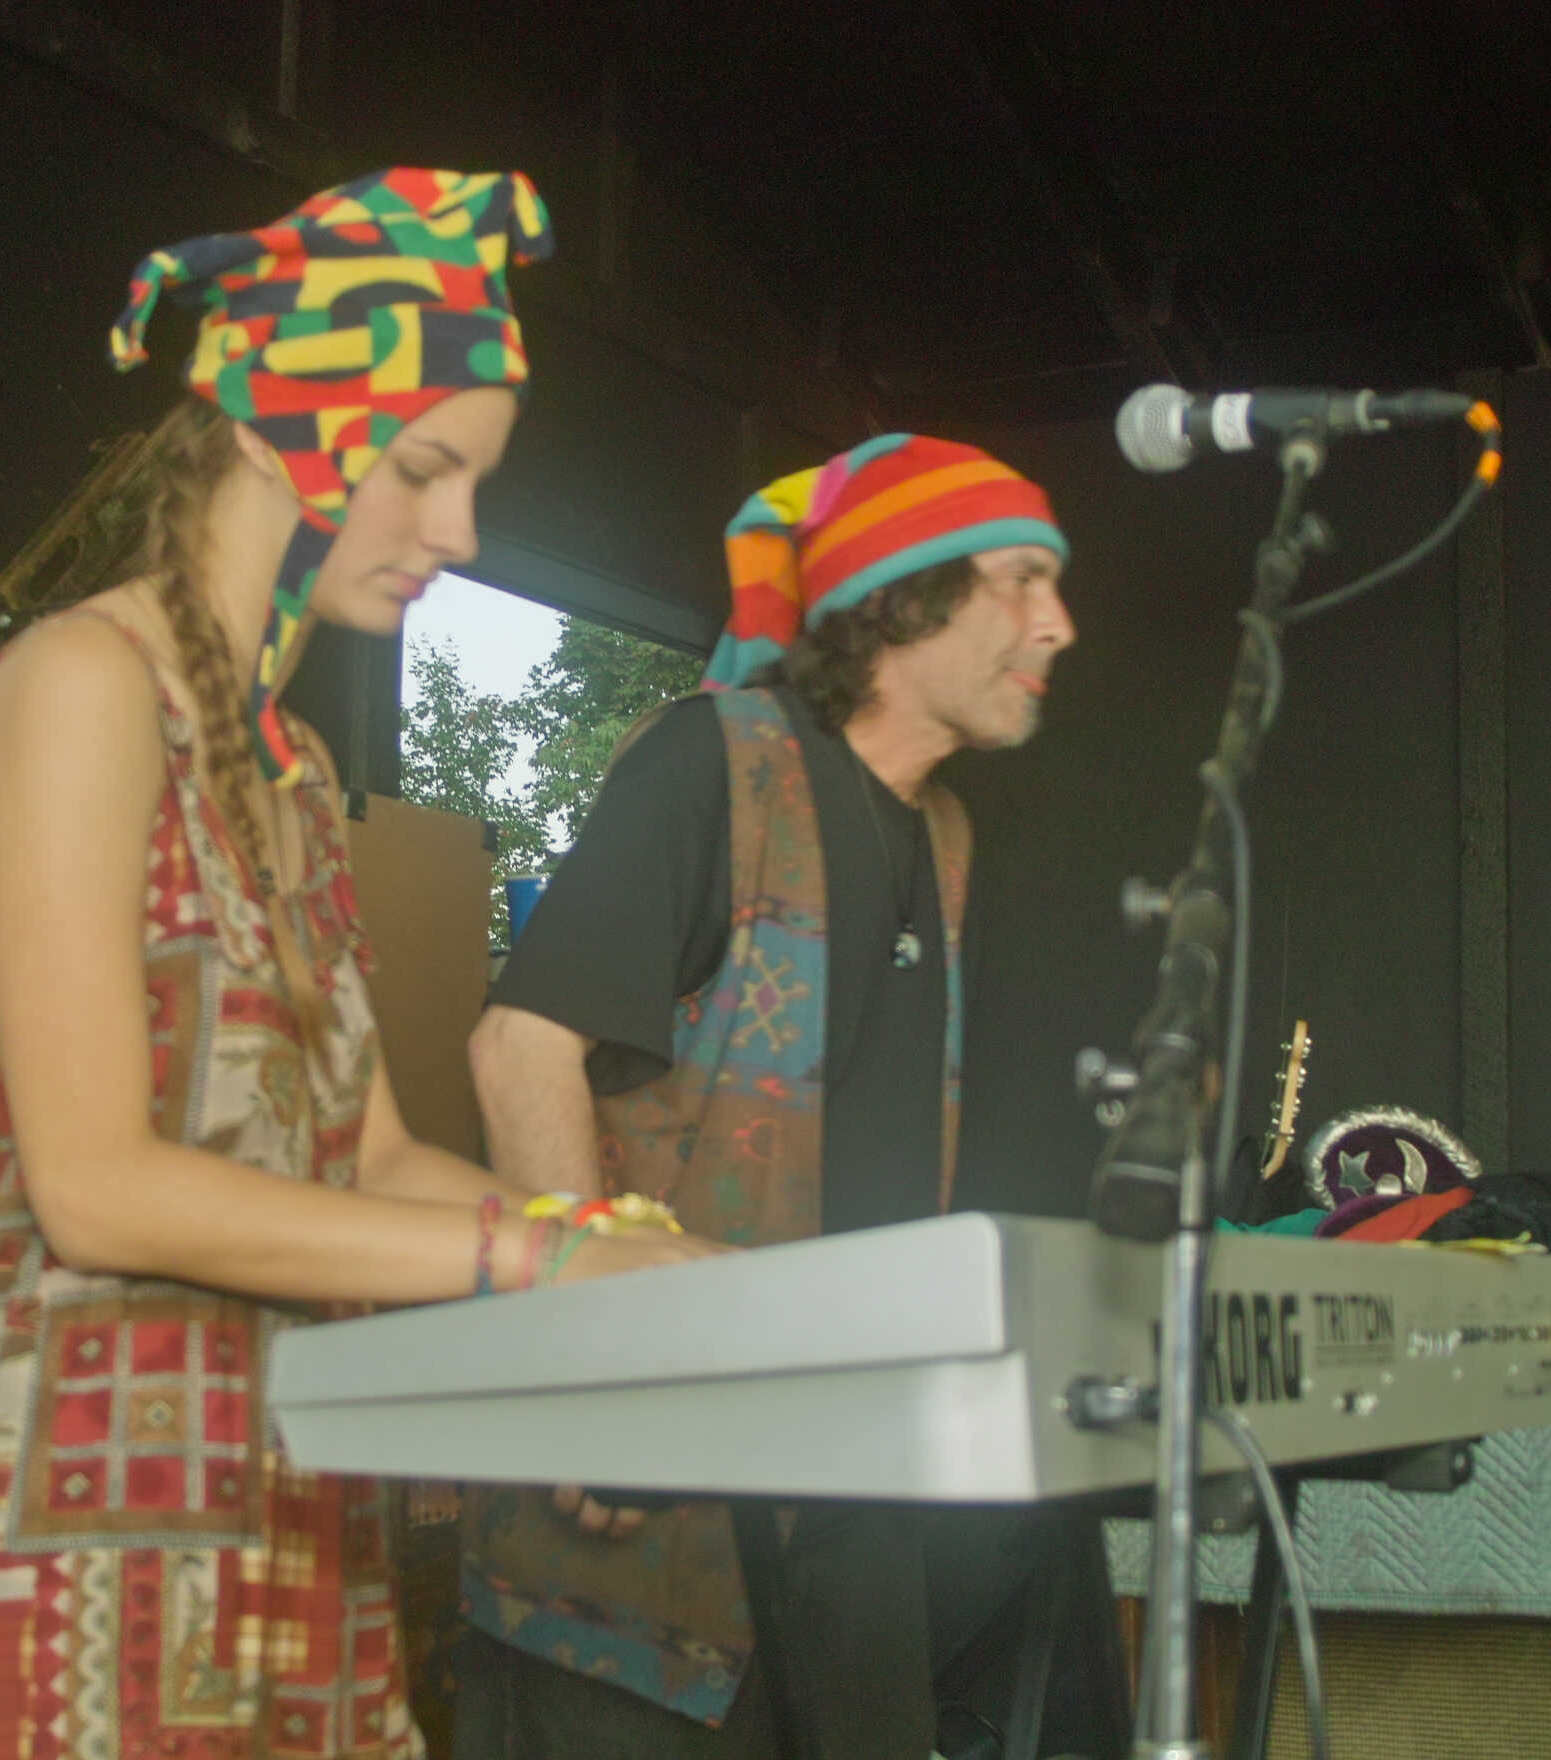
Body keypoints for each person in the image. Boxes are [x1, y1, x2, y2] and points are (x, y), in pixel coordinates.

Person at [0, 168, 720, 1760]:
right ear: (268, 429)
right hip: (73, 1548)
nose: (457, 531)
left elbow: (371, 1159)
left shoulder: (294, 772)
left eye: (473, 481)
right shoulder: (82, 686)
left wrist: (604, 1269)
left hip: (290, 1521)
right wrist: (537, 1268)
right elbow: (94, 1189)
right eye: (421, 469)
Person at [456, 434, 1083, 1758]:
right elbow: (521, 1049)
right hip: (634, 1524)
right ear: (908, 595)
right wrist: (594, 1369)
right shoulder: (714, 763)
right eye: (1022, 581)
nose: (1057, 624)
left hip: (843, 1516)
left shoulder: (945, 837)